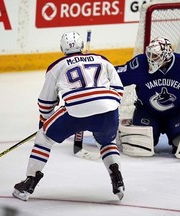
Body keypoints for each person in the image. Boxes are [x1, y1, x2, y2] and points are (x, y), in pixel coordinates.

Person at [12, 31, 125, 201]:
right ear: (82, 46)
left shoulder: (56, 66)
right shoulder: (102, 59)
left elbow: (45, 102)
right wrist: (104, 104)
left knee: (43, 138)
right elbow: (119, 90)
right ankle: (117, 178)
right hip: (108, 110)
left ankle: (28, 184)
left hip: (76, 111)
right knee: (106, 142)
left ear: (62, 48)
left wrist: (47, 121)